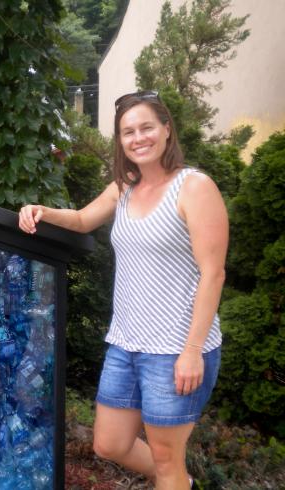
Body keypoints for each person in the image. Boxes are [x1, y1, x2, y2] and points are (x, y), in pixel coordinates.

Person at [18, 91, 228, 489]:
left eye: (147, 127)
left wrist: (192, 351)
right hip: (126, 344)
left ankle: (175, 480)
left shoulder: (194, 188)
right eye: (128, 132)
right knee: (110, 444)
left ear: (166, 130)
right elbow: (81, 220)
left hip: (174, 349)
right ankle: (182, 482)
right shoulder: (124, 187)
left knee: (167, 458)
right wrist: (43, 212)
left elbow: (213, 273)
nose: (138, 138)